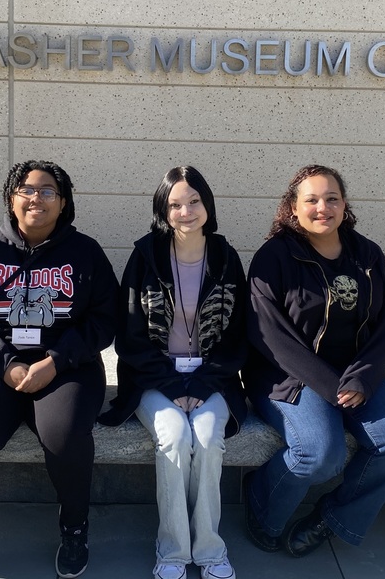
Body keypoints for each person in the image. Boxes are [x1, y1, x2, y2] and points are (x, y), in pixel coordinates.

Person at [0, 160, 119, 579]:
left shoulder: (86, 252)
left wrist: (57, 361)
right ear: (11, 199)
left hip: (66, 366)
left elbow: (105, 319)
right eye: (27, 190)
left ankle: (74, 526)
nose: (37, 198)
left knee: (65, 432)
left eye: (48, 191)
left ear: (63, 202)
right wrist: (7, 366)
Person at [242, 164, 385, 558]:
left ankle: (334, 517)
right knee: (319, 454)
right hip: (289, 377)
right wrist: (332, 386)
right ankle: (260, 501)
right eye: (312, 200)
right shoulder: (275, 257)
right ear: (293, 207)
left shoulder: (367, 255)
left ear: (344, 204)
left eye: (332, 198)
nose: (323, 207)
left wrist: (363, 378)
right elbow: (269, 334)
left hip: (358, 375)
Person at [98, 166, 248, 579]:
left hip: (213, 377)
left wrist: (201, 383)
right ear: (163, 211)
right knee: (175, 437)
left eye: (194, 201)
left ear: (207, 204)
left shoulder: (226, 258)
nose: (186, 212)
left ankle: (210, 549)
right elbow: (130, 335)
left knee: (208, 438)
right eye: (175, 204)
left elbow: (238, 336)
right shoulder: (144, 257)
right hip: (152, 377)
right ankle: (173, 551)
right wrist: (169, 383)